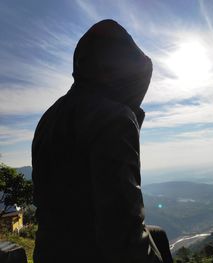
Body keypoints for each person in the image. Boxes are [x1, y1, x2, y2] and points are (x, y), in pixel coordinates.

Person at [32, 19, 173, 263]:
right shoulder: (114, 118)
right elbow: (122, 231)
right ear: (115, 72)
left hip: (50, 250)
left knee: (157, 235)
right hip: (89, 251)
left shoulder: (50, 116)